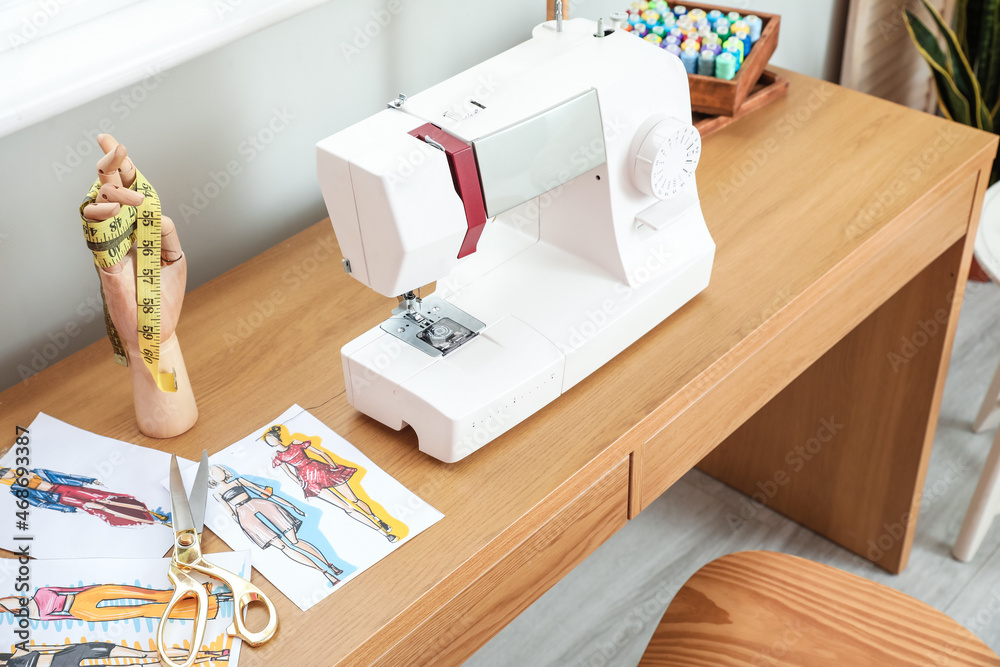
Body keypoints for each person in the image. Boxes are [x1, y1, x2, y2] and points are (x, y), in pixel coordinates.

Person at [208, 465, 344, 585]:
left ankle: (329, 565)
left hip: (261, 504)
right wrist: (245, 526)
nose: (219, 473)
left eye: (219, 470)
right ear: (211, 478)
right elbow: (231, 512)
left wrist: (291, 506)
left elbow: (263, 492)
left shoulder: (238, 480)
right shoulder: (217, 493)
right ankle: (324, 572)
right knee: (284, 547)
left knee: (294, 541)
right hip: (245, 516)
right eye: (214, 473)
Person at [262, 426, 397, 542]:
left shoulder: (295, 443)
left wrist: (333, 465)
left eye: (271, 439)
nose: (270, 442)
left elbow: (320, 452)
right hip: (309, 481)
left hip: (323, 471)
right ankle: (384, 533)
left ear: (278, 437)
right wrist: (301, 484)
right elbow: (290, 474)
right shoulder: (277, 456)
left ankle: (377, 518)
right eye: (268, 441)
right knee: (346, 507)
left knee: (353, 499)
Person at [0, 468, 169, 528]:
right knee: (101, 508)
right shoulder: (16, 490)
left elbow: (65, 476)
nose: (10, 475)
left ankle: (151, 514)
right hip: (61, 499)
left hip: (70, 488)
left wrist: (88, 480)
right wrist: (67, 509)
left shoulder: (37, 471)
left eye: (8, 471)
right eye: (5, 476)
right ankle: (151, 521)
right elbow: (40, 504)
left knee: (110, 499)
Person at [0, 582, 227, 622]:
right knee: (144, 611)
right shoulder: (34, 615)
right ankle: (205, 609)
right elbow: (61, 615)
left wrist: (92, 589)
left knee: (150, 596)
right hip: (81, 609)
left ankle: (199, 594)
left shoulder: (40, 592)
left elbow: (70, 589)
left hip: (84, 596)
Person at [0, 642, 228, 666]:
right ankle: (210, 655)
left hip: (76, 652)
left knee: (147, 657)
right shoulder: (19, 652)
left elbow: (50, 649)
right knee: (147, 660)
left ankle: (209, 653)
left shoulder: (17, 652)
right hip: (74, 654)